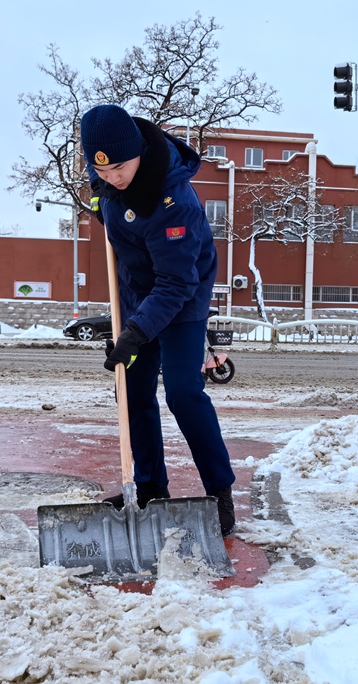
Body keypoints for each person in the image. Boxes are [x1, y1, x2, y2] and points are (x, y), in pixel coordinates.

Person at [80, 103, 236, 536]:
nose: (111, 177)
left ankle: (219, 491)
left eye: (119, 169)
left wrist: (137, 332)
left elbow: (175, 283)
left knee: (184, 391)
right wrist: (102, 203)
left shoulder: (175, 203)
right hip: (135, 289)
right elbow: (104, 193)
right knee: (131, 389)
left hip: (181, 291)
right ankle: (149, 486)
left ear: (139, 153)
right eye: (101, 171)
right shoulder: (107, 170)